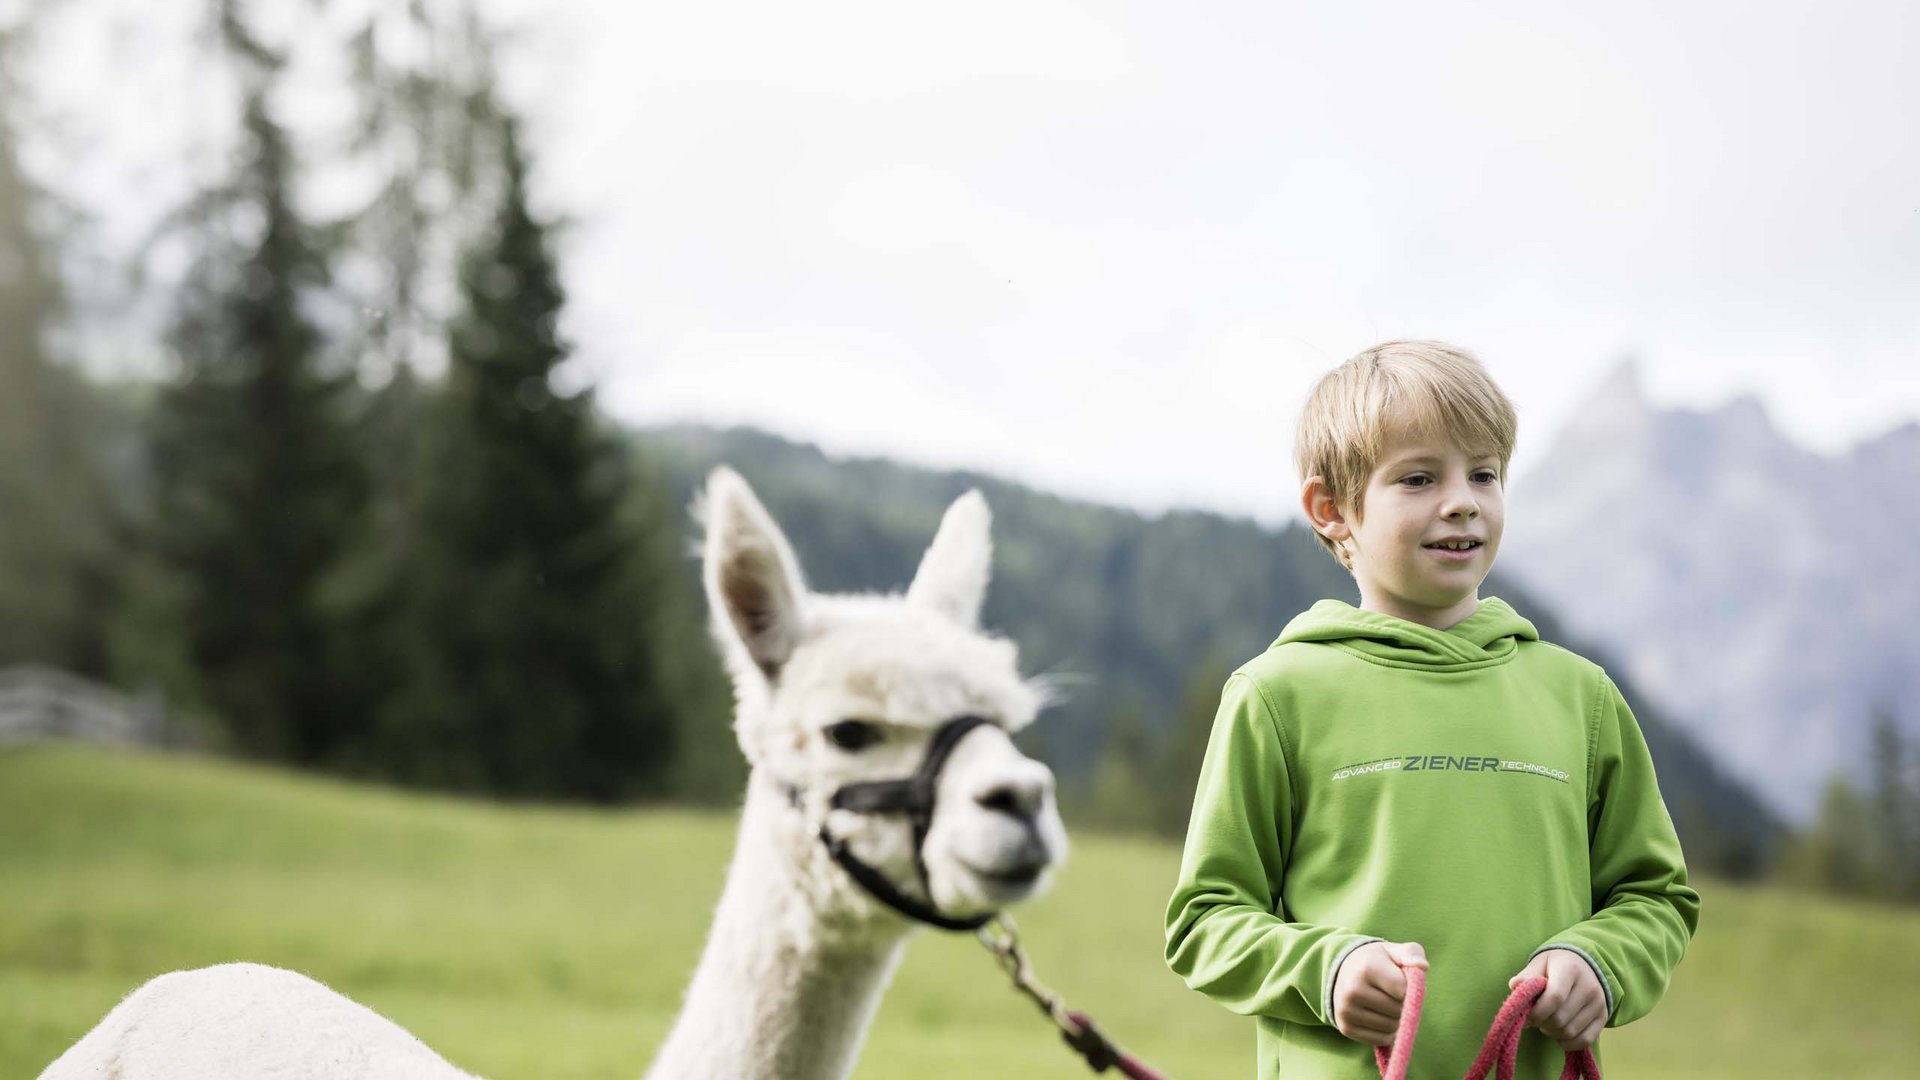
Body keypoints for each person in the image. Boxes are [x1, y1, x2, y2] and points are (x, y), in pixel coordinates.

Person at [1163, 340, 1700, 1079]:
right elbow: (1205, 920)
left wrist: (1599, 962)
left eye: (1484, 473)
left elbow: (1657, 896)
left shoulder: (1582, 699)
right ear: (1332, 510)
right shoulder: (1276, 696)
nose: (1462, 500)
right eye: (1418, 477)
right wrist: (1327, 969)